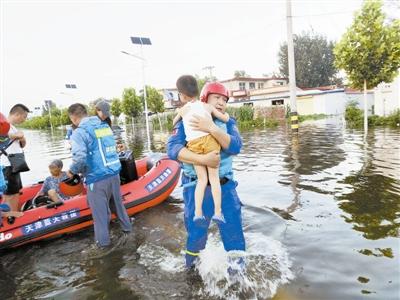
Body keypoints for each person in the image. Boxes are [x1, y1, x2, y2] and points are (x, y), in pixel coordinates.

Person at [167, 82, 246, 270]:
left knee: (234, 233)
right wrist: (204, 159)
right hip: (196, 187)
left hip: (224, 187)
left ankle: (238, 276)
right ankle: (192, 273)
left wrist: (211, 127)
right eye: (217, 98)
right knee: (195, 234)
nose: (221, 103)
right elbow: (173, 150)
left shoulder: (228, 121)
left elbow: (235, 146)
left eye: (224, 100)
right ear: (205, 99)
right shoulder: (187, 118)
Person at [66, 103, 132, 249]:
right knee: (120, 209)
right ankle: (129, 233)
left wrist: (72, 171)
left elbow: (80, 158)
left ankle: (104, 249)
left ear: (73, 117)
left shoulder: (79, 132)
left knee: (101, 219)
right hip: (114, 174)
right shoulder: (104, 126)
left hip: (97, 179)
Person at [173, 75, 229, 225]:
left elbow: (174, 122)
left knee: (202, 180)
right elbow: (224, 118)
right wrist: (227, 116)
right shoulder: (207, 107)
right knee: (214, 179)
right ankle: (218, 212)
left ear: (182, 95)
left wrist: (181, 115)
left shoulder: (183, 109)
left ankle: (198, 213)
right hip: (210, 142)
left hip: (194, 145)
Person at [0, 104, 30, 216]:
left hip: (16, 163)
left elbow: (22, 145)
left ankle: (15, 214)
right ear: (17, 114)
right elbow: (4, 135)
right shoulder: (3, 125)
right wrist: (16, 135)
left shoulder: (14, 127)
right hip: (6, 165)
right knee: (9, 194)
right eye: (24, 117)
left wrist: (22, 138)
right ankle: (9, 217)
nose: (24, 120)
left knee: (15, 192)